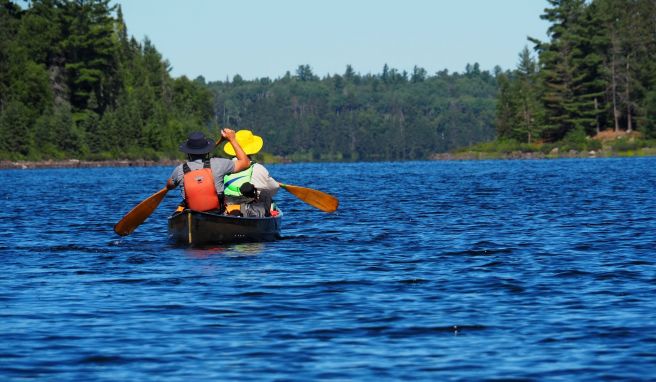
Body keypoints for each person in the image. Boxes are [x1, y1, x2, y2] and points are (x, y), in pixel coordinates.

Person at [167, 129, 249, 212]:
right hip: (217, 213)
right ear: (206, 150)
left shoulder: (179, 170)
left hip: (192, 214)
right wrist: (232, 139)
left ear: (188, 152)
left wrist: (171, 182)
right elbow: (245, 162)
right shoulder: (220, 164)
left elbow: (169, 186)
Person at [222, 130, 279, 217]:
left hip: (228, 206)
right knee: (266, 194)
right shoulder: (259, 168)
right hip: (250, 209)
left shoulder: (223, 167)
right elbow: (274, 188)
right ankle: (271, 214)